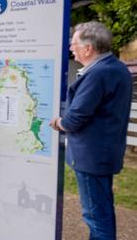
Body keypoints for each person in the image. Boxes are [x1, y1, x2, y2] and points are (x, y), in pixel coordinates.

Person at [49, 21, 132, 239]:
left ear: (88, 48)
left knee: (95, 216)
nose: (70, 48)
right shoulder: (116, 67)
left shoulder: (97, 74)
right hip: (104, 153)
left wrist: (59, 122)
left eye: (74, 43)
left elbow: (75, 118)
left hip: (91, 157)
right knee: (103, 212)